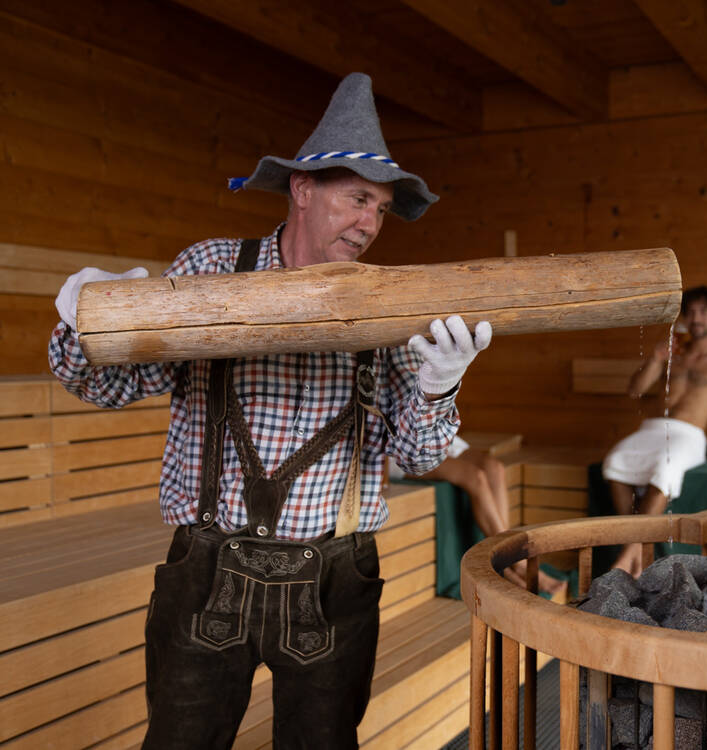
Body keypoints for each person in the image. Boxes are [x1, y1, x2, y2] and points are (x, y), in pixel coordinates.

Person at [48, 73, 491, 749]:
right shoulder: (212, 267)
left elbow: (420, 455)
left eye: (381, 208)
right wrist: (84, 325)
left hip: (336, 581)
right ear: (304, 189)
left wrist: (439, 388)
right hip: (205, 571)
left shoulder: (391, 303)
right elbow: (108, 386)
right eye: (358, 199)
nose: (371, 223)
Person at [602, 285, 707, 576]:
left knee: (666, 469)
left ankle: (626, 559)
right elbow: (635, 390)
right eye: (690, 312)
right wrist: (656, 358)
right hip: (652, 428)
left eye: (703, 311)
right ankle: (639, 550)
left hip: (688, 435)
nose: (696, 317)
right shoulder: (673, 352)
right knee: (614, 462)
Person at [390, 437, 568, 595]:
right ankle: (515, 560)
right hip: (399, 445)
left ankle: (508, 560)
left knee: (494, 467)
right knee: (475, 476)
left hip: (431, 435)